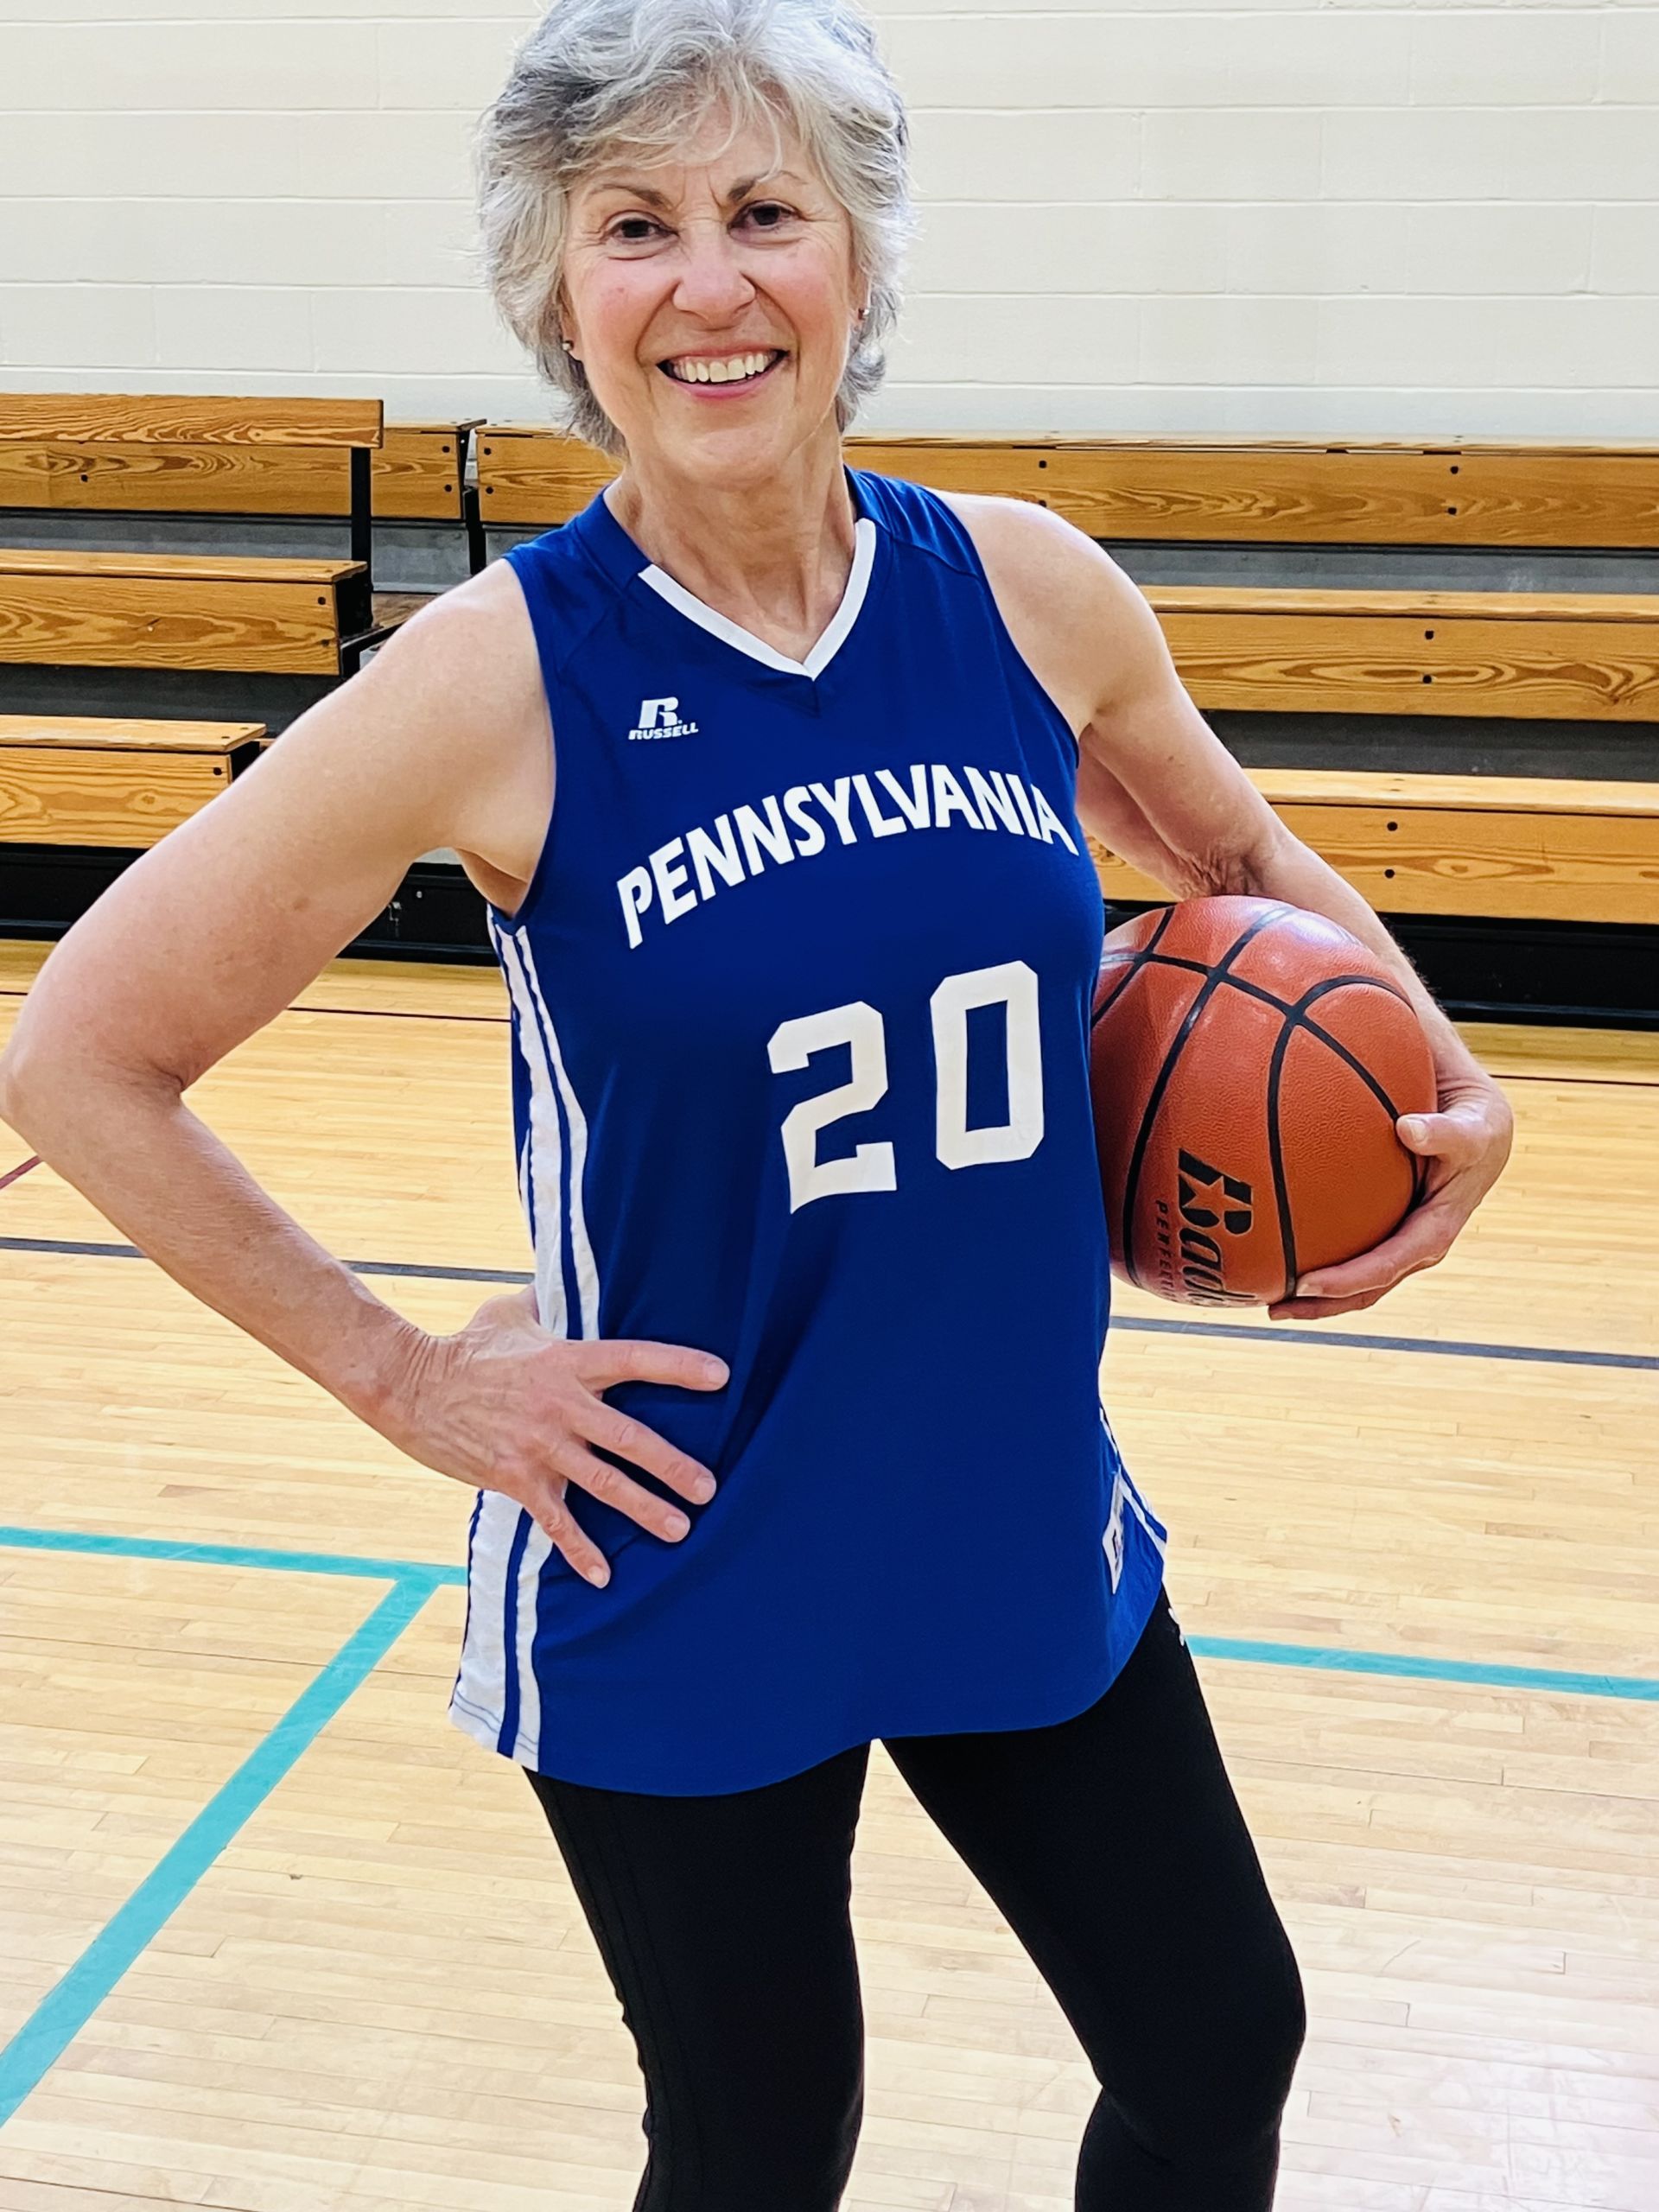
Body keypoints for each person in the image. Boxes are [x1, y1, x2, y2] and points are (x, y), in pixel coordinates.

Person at [0, 0, 1513, 2202]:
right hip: (678, 1546)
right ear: (561, 297)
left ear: (860, 263)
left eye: (764, 211)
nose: (708, 281)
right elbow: (78, 1051)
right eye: (635, 226)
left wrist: (1437, 1082)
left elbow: (1248, 867)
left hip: (1010, 1503)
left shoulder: (1025, 588)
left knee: (1221, 2041)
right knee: (761, 2138)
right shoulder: (495, 676)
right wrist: (410, 1377)